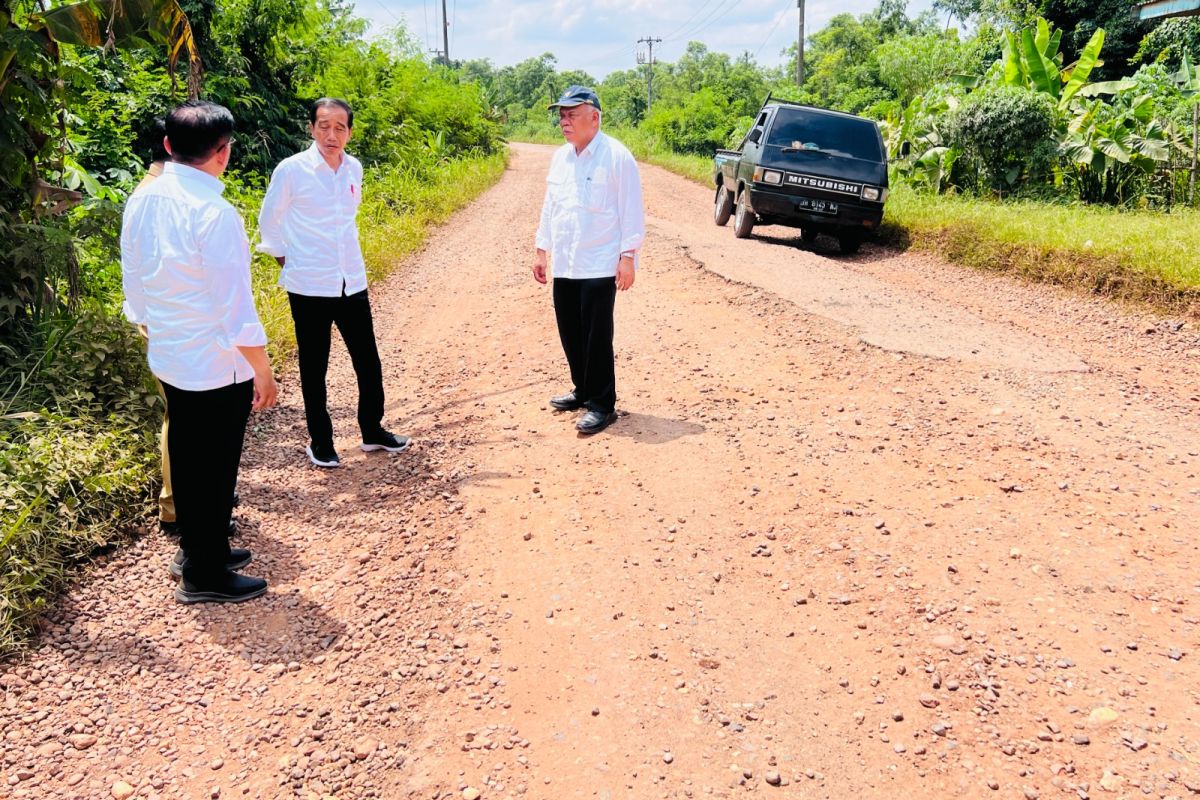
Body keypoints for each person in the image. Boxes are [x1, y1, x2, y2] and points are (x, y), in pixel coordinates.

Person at [121, 100, 277, 604]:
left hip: (169, 351)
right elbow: (235, 310)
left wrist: (150, 322)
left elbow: (133, 276)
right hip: (214, 362)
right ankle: (204, 573)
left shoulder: (143, 198)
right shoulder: (215, 213)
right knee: (213, 465)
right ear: (224, 153)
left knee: (187, 457)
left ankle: (196, 550)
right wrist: (263, 371)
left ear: (168, 146)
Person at [258, 97, 409, 468]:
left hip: (350, 281)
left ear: (350, 133)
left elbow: (347, 223)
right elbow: (269, 223)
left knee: (368, 360)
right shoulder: (292, 170)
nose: (331, 134)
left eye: (339, 127)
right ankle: (321, 441)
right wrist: (290, 261)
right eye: (324, 126)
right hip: (308, 286)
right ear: (311, 129)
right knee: (315, 365)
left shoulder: (353, 168)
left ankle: (372, 430)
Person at [533, 85, 645, 435]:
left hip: (599, 261)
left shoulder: (616, 156)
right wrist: (542, 249)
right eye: (561, 115)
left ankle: (602, 403)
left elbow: (632, 211)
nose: (564, 121)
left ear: (594, 118)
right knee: (571, 332)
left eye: (571, 115)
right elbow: (551, 206)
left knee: (597, 336)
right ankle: (582, 389)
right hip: (567, 261)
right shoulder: (560, 157)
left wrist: (628, 257)